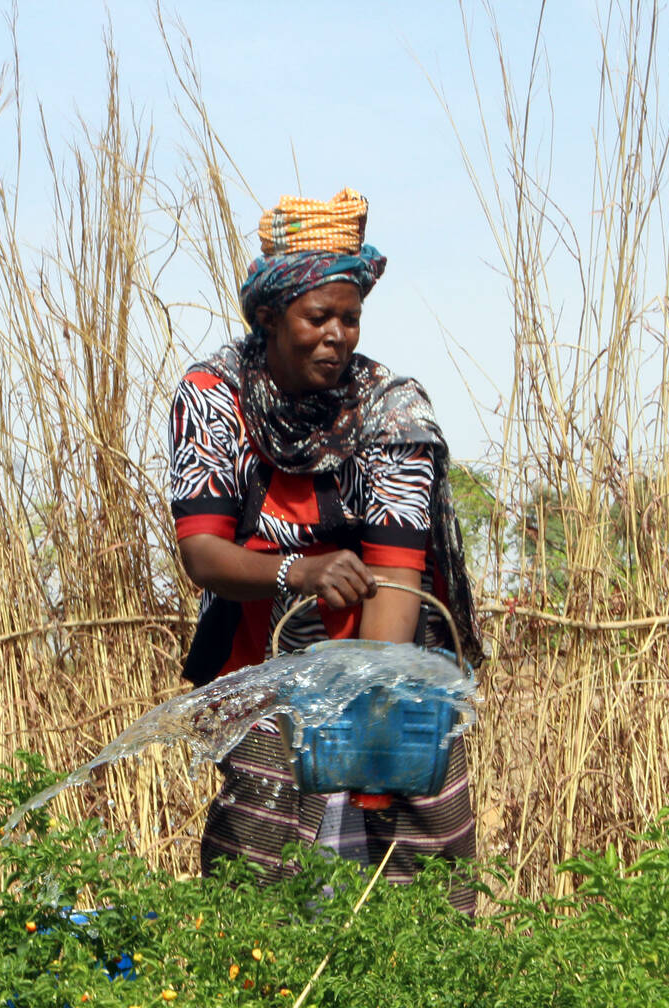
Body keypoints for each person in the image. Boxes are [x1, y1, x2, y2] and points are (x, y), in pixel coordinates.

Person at [168, 188, 486, 913]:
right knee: (260, 867)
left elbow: (399, 576)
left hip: (388, 649)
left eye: (350, 318)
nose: (337, 335)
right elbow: (204, 556)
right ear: (271, 316)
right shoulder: (214, 397)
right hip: (264, 653)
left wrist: (370, 720)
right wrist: (298, 571)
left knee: (413, 866)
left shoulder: (391, 410)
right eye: (319, 317)